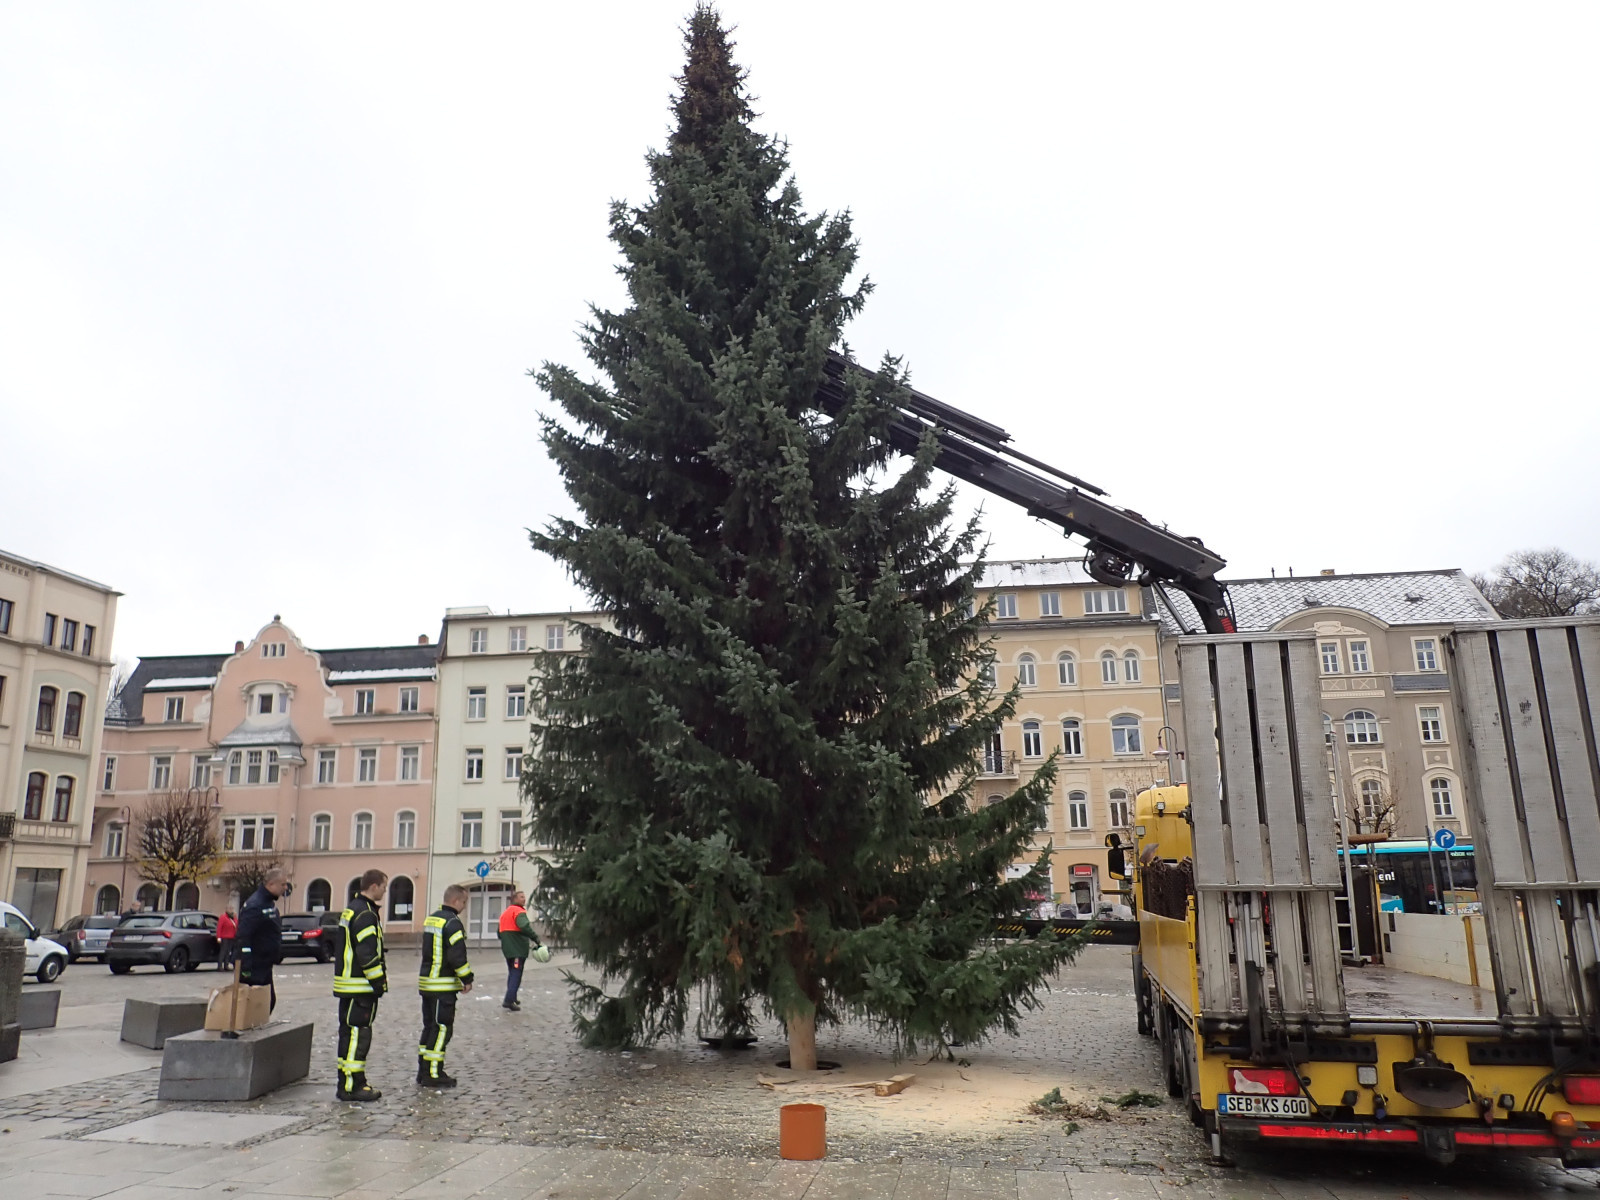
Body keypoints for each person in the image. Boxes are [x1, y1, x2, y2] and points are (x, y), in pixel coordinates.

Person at [332, 869, 388, 1102]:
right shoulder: (365, 913)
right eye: (384, 886)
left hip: (348, 985)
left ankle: (347, 1081)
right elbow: (367, 953)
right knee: (358, 1034)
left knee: (348, 1034)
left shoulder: (352, 908)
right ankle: (352, 1085)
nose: (385, 891)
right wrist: (378, 982)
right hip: (360, 986)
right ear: (373, 886)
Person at [417, 884, 474, 1087]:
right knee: (442, 1029)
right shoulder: (453, 923)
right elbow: (457, 955)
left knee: (429, 1028)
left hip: (427, 982)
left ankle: (423, 1070)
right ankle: (433, 1073)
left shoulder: (433, 918)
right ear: (456, 901)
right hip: (442, 985)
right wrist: (467, 978)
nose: (465, 906)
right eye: (464, 902)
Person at [237, 868, 289, 1011]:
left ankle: (256, 1028)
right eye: (283, 884)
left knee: (267, 1003)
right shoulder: (255, 905)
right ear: (271, 884)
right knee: (254, 1004)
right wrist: (246, 965)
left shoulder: (268, 903)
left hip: (265, 963)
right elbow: (244, 936)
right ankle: (249, 1030)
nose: (285, 888)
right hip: (255, 965)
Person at [496, 890, 549, 1011]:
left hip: (508, 950)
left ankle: (512, 996)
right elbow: (524, 926)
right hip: (517, 949)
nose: (524, 899)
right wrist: (536, 939)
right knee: (516, 974)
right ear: (514, 899)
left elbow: (498, 933)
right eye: (521, 897)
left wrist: (507, 939)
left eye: (524, 897)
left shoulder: (505, 913)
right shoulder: (519, 911)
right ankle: (508, 1000)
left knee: (512, 972)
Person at [217, 906, 237, 971]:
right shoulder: (223, 917)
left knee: (228, 952)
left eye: (232, 909)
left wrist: (235, 918)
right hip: (224, 937)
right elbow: (219, 927)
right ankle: (219, 966)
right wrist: (218, 937)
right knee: (223, 951)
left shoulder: (233, 918)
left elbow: (236, 925)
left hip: (232, 937)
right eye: (230, 909)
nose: (231, 910)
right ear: (226, 910)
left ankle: (226, 965)